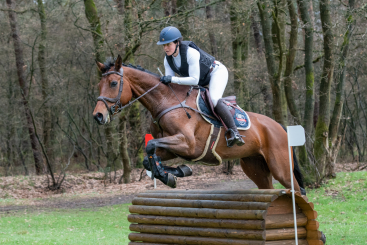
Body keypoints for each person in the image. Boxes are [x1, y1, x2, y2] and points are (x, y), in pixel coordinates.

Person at [157, 26, 245, 147]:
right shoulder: (167, 60)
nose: (165, 48)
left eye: (168, 44)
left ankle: (235, 133)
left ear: (177, 42)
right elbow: (171, 84)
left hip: (215, 72)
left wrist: (171, 79)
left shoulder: (190, 53)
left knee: (214, 99)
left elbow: (194, 80)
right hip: (200, 80)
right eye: (163, 45)